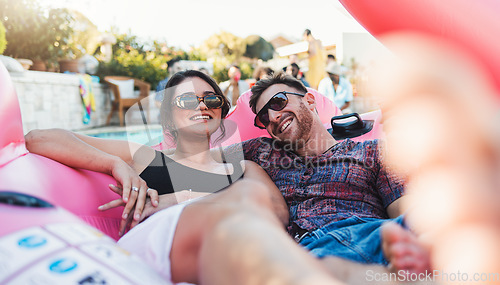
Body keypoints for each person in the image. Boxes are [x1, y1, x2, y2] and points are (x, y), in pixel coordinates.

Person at [222, 71, 407, 270]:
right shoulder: (262, 152)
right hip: (313, 252)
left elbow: (407, 213)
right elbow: (193, 166)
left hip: (375, 238)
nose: (273, 117)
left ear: (310, 101)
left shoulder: (372, 151)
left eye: (278, 102)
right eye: (264, 117)